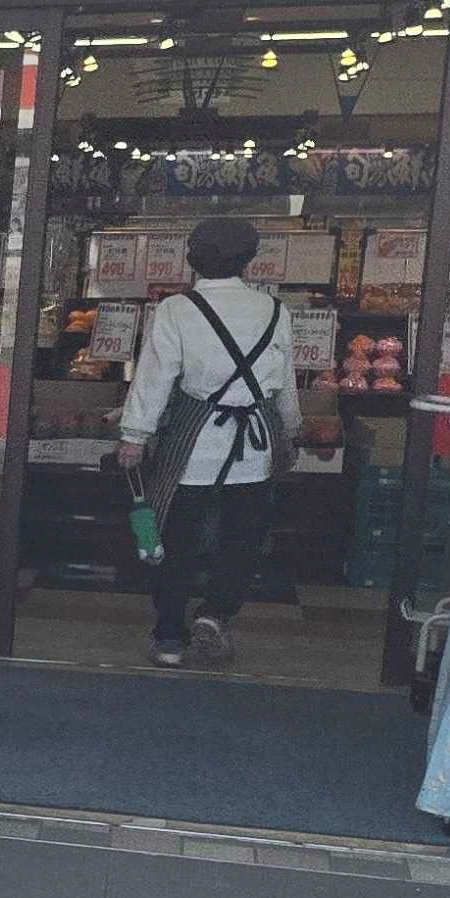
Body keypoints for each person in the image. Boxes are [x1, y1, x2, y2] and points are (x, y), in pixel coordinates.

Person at [116, 214, 300, 669]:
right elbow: (285, 384)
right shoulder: (274, 310)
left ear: (193, 258)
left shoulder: (176, 310)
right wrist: (291, 430)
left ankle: (169, 637)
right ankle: (216, 613)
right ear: (249, 260)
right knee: (242, 541)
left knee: (175, 540)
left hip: (193, 444)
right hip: (255, 446)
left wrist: (134, 435)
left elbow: (154, 379)